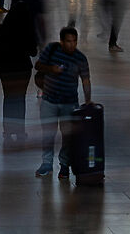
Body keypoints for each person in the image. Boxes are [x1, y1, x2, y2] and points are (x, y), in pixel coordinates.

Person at [0, 0, 43, 152]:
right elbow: (33, 51)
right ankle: (19, 130)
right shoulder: (28, 31)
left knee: (8, 98)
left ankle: (7, 131)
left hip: (6, 69)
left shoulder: (3, 28)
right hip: (22, 69)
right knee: (20, 99)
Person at [33, 25, 91, 178]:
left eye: (74, 41)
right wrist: (51, 69)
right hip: (49, 101)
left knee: (67, 136)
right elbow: (37, 65)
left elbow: (86, 80)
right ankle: (46, 163)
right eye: (68, 41)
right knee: (48, 134)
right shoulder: (52, 50)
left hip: (69, 103)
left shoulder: (80, 58)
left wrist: (88, 100)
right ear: (61, 41)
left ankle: (64, 165)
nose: (71, 44)